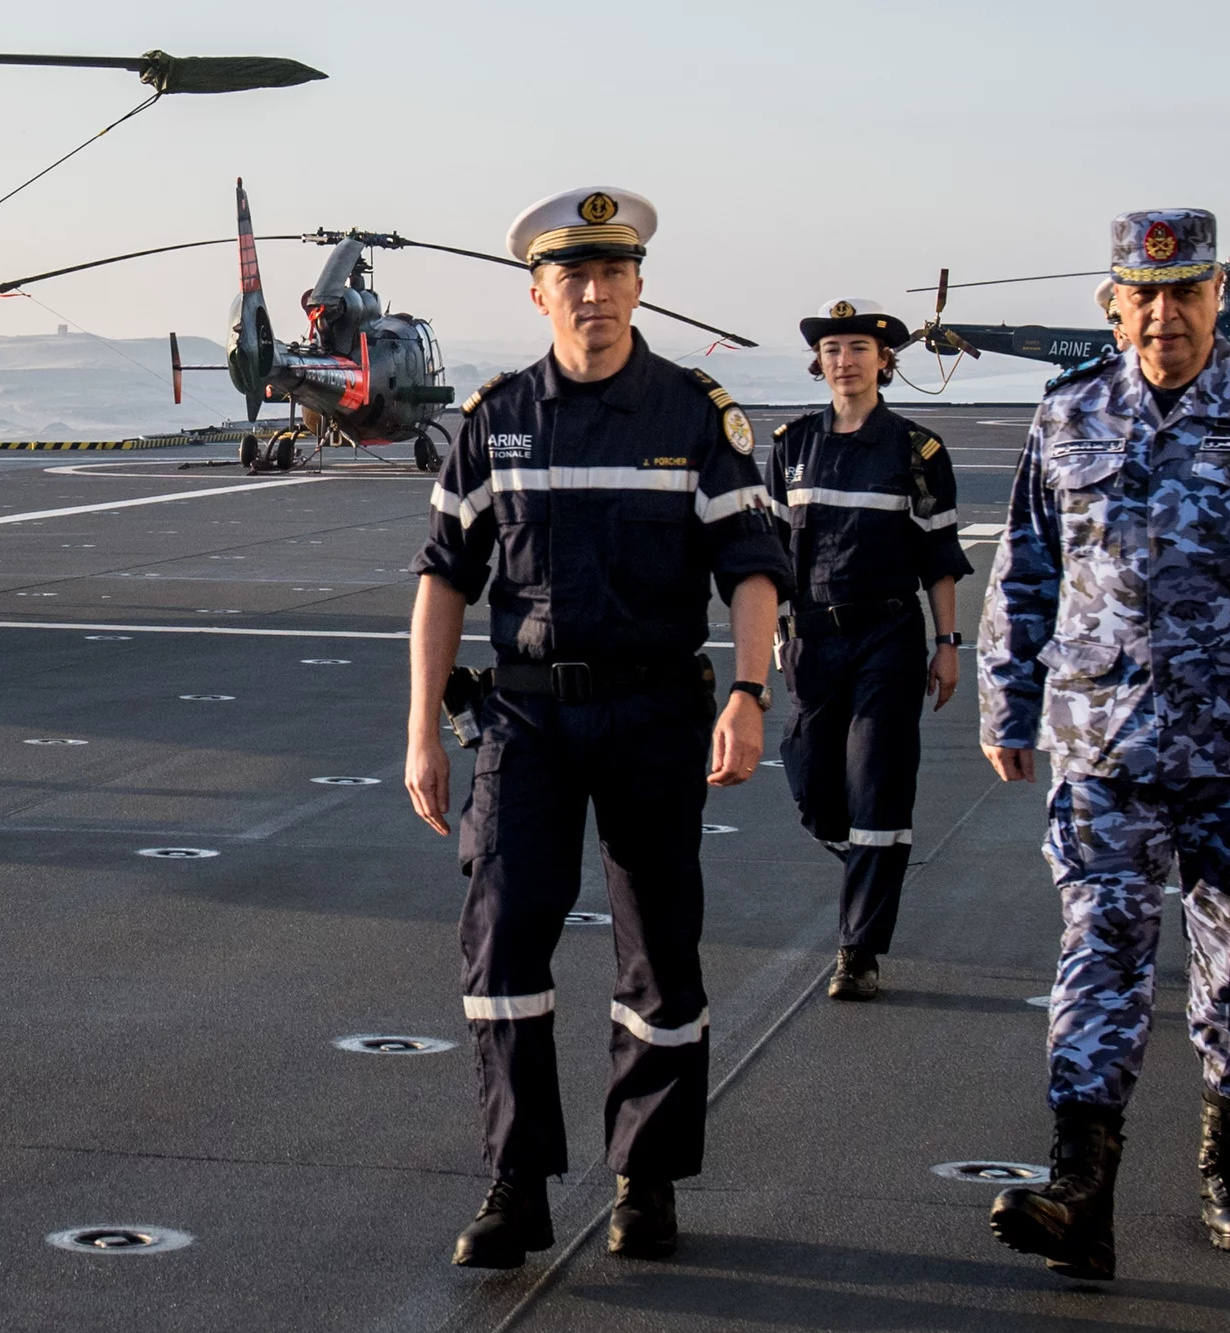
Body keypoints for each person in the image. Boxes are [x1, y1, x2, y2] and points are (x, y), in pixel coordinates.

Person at [976, 208, 1230, 1278]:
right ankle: (1077, 1187)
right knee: (1098, 954)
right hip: (1102, 742)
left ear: (1214, 298)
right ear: (1114, 303)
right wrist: (1005, 701)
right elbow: (1023, 566)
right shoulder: (1067, 413)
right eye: (1142, 296)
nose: (1162, 314)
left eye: (1183, 294)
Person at [403, 186, 792, 1268]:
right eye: (571, 277)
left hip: (653, 711)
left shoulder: (691, 413)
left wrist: (748, 695)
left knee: (658, 951)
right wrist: (421, 733)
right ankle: (513, 1183)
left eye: (611, 274)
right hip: (522, 719)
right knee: (501, 945)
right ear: (539, 294)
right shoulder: (496, 417)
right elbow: (443, 579)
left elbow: (753, 569)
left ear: (636, 287)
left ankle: (647, 1178)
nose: (593, 293)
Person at [767, 298, 973, 1000]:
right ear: (819, 363)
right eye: (833, 351)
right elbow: (768, 557)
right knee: (814, 791)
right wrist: (769, 638)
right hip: (810, 645)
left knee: (879, 785)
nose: (845, 361)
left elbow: (940, 556)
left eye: (858, 349)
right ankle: (863, 858)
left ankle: (858, 949)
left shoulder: (916, 451)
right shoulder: (791, 444)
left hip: (887, 637)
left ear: (884, 361)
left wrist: (948, 644)